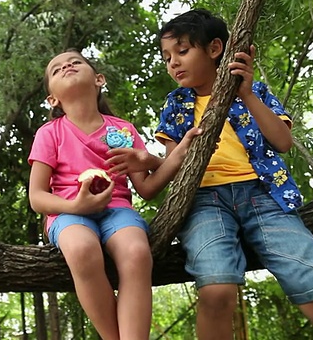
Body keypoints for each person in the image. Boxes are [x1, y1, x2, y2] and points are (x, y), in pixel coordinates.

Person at [134, 8, 313, 339]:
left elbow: (283, 142)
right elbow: (174, 167)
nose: (173, 63)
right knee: (216, 289)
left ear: (214, 49)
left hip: (264, 194)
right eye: (167, 57)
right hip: (203, 200)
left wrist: (247, 95)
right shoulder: (175, 104)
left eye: (182, 51)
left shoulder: (253, 92)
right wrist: (152, 158)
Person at [28, 49, 202, 339]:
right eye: (57, 69)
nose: (67, 66)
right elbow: (37, 197)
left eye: (75, 62)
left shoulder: (122, 129)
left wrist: (172, 155)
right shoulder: (50, 133)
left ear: (99, 79)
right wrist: (77, 205)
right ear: (52, 99)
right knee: (82, 249)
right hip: (67, 212)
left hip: (117, 210)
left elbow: (146, 188)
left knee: (136, 253)